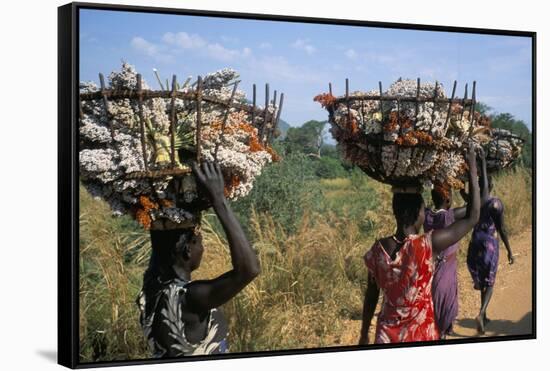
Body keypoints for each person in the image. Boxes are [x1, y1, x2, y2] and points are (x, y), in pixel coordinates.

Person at [136, 161, 261, 357]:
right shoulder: (191, 298)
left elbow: (160, 244)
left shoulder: (152, 287)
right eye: (199, 242)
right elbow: (249, 270)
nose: (203, 248)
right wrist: (218, 199)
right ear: (187, 250)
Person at [359, 145, 480, 344]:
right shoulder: (428, 244)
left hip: (386, 336)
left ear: (395, 212)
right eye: (424, 209)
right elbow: (473, 216)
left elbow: (371, 295)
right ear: (418, 214)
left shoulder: (377, 250)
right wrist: (473, 168)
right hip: (420, 334)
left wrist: (364, 333)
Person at [466, 151, 514, 335]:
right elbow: (502, 229)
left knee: (482, 280)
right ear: (490, 185)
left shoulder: (474, 202)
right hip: (489, 245)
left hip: (474, 243)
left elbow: (474, 191)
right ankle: (480, 314)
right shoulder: (494, 203)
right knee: (491, 281)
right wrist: (509, 251)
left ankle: (484, 315)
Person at [423, 183, 467, 339]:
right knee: (442, 317)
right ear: (448, 199)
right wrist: (466, 195)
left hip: (431, 270)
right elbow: (475, 209)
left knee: (434, 311)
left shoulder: (427, 215)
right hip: (445, 273)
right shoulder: (448, 217)